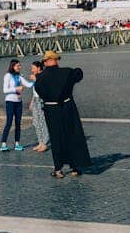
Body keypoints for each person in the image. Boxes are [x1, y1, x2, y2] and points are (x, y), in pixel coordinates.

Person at [33, 50, 90, 178]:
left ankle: (58, 169)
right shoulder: (67, 72)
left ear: (45, 62)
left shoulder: (40, 78)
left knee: (56, 138)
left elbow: (40, 92)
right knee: (71, 135)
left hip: (51, 110)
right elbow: (79, 74)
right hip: (67, 107)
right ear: (56, 60)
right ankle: (75, 167)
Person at [0, 59, 29, 152]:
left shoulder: (20, 76)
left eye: (20, 65)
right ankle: (3, 144)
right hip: (10, 102)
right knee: (9, 122)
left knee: (18, 123)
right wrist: (16, 89)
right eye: (18, 66)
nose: (19, 67)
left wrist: (38, 79)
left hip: (19, 102)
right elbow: (5, 90)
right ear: (13, 66)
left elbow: (28, 84)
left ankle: (17, 143)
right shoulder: (7, 76)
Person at [28, 60, 50, 152]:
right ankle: (40, 142)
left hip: (42, 100)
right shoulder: (36, 77)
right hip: (36, 100)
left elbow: (43, 87)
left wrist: (36, 80)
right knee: (36, 122)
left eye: (33, 68)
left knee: (42, 122)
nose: (32, 70)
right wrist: (32, 101)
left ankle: (45, 143)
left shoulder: (43, 76)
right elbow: (35, 91)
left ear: (39, 68)